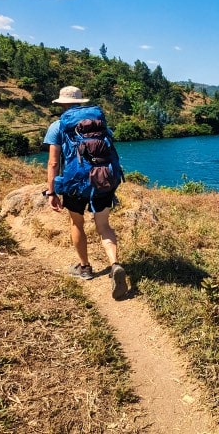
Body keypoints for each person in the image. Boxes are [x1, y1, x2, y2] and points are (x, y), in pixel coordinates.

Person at [42, 85, 128, 300]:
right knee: (104, 226)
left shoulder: (58, 125)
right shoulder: (100, 124)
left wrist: (51, 192)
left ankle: (85, 268)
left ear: (62, 104)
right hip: (102, 181)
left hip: (75, 184)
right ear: (81, 102)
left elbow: (53, 162)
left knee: (76, 224)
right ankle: (115, 264)